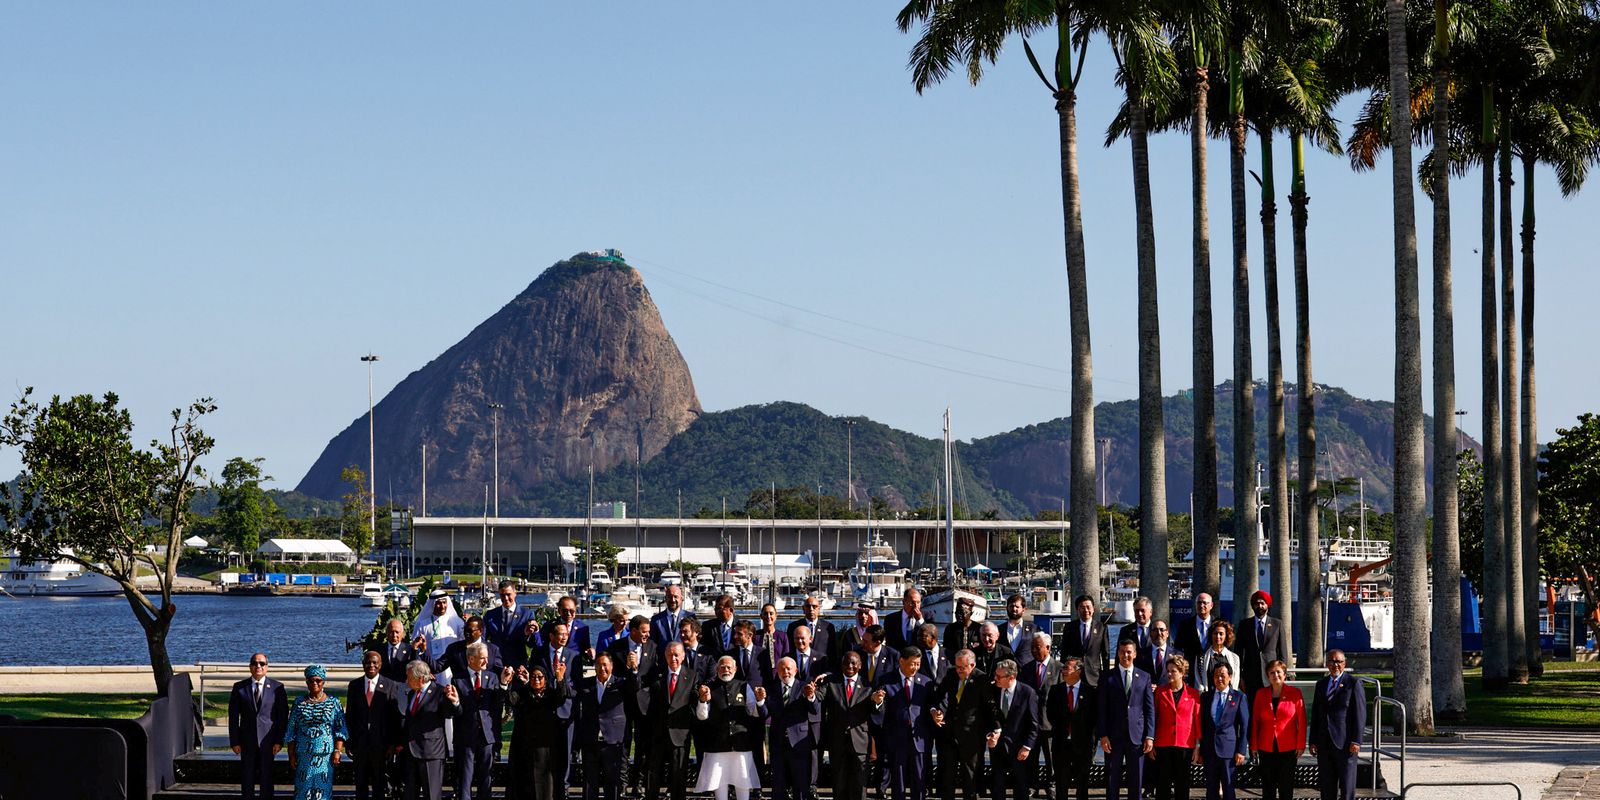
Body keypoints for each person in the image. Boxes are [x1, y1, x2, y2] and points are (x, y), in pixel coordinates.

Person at [694, 655, 766, 800]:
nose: (725, 670)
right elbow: (702, 716)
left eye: (729, 667)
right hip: (717, 744)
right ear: (717, 669)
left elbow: (754, 711)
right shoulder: (709, 687)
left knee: (743, 783)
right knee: (719, 783)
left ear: (735, 669)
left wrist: (760, 700)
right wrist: (702, 701)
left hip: (741, 744)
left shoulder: (744, 686)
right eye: (722, 667)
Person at [870, 647, 936, 800]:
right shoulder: (886, 680)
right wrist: (878, 702)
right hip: (896, 738)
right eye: (912, 663)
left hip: (918, 738)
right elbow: (879, 708)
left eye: (918, 664)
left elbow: (931, 704)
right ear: (901, 661)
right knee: (898, 782)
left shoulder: (925, 682)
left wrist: (934, 711)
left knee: (919, 780)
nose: (915, 667)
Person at [932, 650, 995, 800]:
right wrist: (935, 711)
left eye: (963, 667)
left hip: (972, 735)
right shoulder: (951, 674)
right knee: (948, 775)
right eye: (957, 666)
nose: (959, 670)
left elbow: (989, 708)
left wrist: (992, 729)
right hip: (950, 732)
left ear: (972, 665)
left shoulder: (982, 679)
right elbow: (937, 696)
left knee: (970, 777)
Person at [643, 642, 700, 800]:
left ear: (683, 656)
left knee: (678, 774)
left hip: (680, 732)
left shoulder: (692, 676)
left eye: (676, 655)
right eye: (669, 654)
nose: (673, 658)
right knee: (653, 773)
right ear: (665, 656)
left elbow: (695, 702)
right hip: (658, 732)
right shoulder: (655, 674)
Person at [609, 616, 659, 797]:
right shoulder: (616, 647)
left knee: (642, 746)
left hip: (644, 704)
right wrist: (629, 672)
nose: (647, 634)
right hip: (621, 703)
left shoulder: (652, 647)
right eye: (644, 631)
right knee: (622, 745)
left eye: (648, 631)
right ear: (634, 630)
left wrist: (636, 671)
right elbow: (611, 675)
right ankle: (622, 784)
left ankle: (638, 783)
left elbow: (654, 675)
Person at [1098, 640, 1154, 800]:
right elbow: (1101, 709)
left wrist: (1150, 736)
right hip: (1113, 737)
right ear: (1118, 653)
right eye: (1122, 651)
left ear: (1135, 654)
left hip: (1137, 736)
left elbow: (1149, 709)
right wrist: (1103, 735)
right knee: (1111, 780)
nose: (1125, 655)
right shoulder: (1107, 677)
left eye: (1129, 652)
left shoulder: (1144, 677)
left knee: (1136, 781)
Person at [396, 660, 459, 800]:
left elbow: (451, 713)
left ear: (420, 679)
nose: (407, 681)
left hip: (431, 753)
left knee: (431, 795)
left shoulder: (440, 692)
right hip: (411, 753)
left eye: (409, 677)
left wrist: (454, 702)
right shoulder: (412, 693)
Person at [506, 664, 572, 800]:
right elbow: (511, 700)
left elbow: (562, 696)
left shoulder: (550, 694)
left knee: (547, 786)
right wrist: (506, 682)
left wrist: (560, 678)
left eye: (540, 677)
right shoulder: (523, 693)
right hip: (526, 750)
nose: (536, 680)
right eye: (534, 677)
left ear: (545, 679)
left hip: (546, 749)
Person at [448, 642, 505, 800]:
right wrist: (455, 702)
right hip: (466, 735)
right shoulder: (458, 680)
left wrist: (504, 684)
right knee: (465, 776)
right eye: (482, 659)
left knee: (485, 776)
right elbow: (455, 712)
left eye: (487, 658)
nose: (486, 662)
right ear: (471, 659)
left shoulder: (492, 677)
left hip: (487, 734)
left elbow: (498, 703)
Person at [229, 652, 288, 800]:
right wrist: (235, 741)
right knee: (247, 778)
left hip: (268, 742)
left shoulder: (277, 688)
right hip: (246, 741)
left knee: (266, 778)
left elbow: (282, 717)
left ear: (267, 667)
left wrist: (279, 741)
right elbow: (233, 717)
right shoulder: (239, 688)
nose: (258, 666)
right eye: (255, 663)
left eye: (262, 663)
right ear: (250, 667)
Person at [285, 664, 348, 800]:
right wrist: (291, 754)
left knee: (322, 792)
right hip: (304, 756)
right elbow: (291, 730)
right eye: (311, 680)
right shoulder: (299, 702)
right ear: (306, 682)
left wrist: (338, 751)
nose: (314, 683)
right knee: (303, 791)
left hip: (325, 756)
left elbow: (340, 728)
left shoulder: (334, 703)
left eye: (318, 680)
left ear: (323, 682)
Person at [576, 653, 632, 800]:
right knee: (589, 782)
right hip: (590, 740)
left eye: (605, 665)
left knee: (612, 783)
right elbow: (570, 692)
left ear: (611, 667)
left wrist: (634, 669)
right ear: (594, 667)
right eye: (599, 665)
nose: (602, 668)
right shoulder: (586, 684)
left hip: (613, 741)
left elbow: (635, 686)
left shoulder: (621, 683)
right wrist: (561, 679)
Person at [1309, 650, 1364, 800]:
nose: (1336, 665)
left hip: (1345, 743)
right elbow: (1316, 714)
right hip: (1324, 743)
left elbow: (1359, 714)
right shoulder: (1321, 685)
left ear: (1344, 664)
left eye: (1339, 661)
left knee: (1347, 789)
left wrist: (1357, 740)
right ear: (1327, 664)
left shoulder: (1353, 683)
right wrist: (1313, 740)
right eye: (1332, 661)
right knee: (1327, 788)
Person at [820, 651, 875, 800]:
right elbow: (819, 698)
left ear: (860, 665)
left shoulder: (868, 685)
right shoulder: (831, 682)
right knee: (839, 782)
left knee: (859, 782)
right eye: (846, 662)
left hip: (860, 740)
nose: (850, 666)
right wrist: (811, 695)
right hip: (837, 740)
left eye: (853, 663)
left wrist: (877, 702)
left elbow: (875, 711)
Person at [348, 650, 401, 800]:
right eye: (368, 662)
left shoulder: (390, 685)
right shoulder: (354, 685)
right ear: (363, 664)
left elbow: (394, 717)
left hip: (382, 745)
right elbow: (350, 716)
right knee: (360, 784)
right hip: (360, 744)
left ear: (380, 664)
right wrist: (350, 741)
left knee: (379, 784)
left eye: (374, 662)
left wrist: (392, 743)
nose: (371, 665)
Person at [766, 656, 821, 800]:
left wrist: (811, 697)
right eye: (782, 669)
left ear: (795, 670)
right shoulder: (771, 689)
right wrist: (760, 701)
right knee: (778, 785)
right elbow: (764, 713)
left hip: (799, 743)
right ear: (777, 671)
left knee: (801, 786)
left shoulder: (805, 687)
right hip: (778, 744)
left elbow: (815, 710)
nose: (786, 671)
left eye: (789, 668)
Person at [1250, 660, 1305, 800]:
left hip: (1288, 747)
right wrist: (1254, 745)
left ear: (1285, 674)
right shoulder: (1261, 694)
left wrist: (1300, 745)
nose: (1276, 675)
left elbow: (1302, 721)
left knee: (1286, 787)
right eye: (1272, 673)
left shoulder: (1295, 693)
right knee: (1268, 787)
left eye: (1278, 672)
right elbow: (1255, 721)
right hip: (1266, 747)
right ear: (1268, 676)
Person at [1046, 656, 1097, 800]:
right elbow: (1051, 715)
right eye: (1063, 668)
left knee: (1082, 785)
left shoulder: (1090, 692)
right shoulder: (1055, 690)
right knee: (1061, 785)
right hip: (1061, 744)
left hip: (1083, 745)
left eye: (1067, 668)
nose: (1063, 671)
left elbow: (1093, 718)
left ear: (1078, 671)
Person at [1149, 656, 1199, 800]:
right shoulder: (1160, 692)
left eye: (1174, 671)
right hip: (1163, 744)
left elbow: (1196, 720)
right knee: (1162, 785)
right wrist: (1151, 742)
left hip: (1185, 744)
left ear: (1182, 673)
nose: (1169, 674)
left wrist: (1197, 745)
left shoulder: (1193, 694)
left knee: (1182, 785)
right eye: (1168, 671)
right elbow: (1153, 718)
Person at [988, 660, 1039, 800]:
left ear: (1011, 678)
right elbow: (990, 717)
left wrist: (1027, 747)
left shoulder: (1027, 693)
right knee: (997, 788)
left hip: (1019, 748)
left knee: (1021, 788)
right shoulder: (993, 690)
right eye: (995, 675)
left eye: (999, 677)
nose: (995, 679)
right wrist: (991, 735)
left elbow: (1034, 724)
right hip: (998, 748)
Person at [1198, 662, 1249, 800]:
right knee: (1211, 789)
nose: (1219, 679)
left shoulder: (1239, 697)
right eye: (1216, 676)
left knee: (1228, 787)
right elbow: (1201, 724)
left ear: (1230, 677)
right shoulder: (1205, 697)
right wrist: (1200, 749)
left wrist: (1242, 750)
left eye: (1222, 675)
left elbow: (1244, 726)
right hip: (1209, 750)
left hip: (1229, 751)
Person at [1017, 632, 1059, 790]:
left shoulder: (1059, 668)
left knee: (1051, 759)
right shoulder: (1026, 669)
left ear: (1047, 648)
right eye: (1032, 647)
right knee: (1031, 758)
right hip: (1031, 723)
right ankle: (1032, 785)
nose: (1034, 650)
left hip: (1050, 724)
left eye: (1037, 647)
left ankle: (1052, 786)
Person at [1234, 590, 1290, 698]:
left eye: (1262, 603)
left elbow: (1282, 652)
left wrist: (1282, 673)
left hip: (1272, 676)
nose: (1259, 606)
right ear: (1253, 606)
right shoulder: (1244, 625)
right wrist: (1240, 676)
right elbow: (1239, 652)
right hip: (1250, 677)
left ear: (1267, 605)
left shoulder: (1277, 624)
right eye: (1256, 603)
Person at [1058, 595, 1109, 687]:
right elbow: (1064, 652)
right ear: (1077, 610)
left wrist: (1106, 675)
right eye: (1082, 607)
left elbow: (1105, 654)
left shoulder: (1102, 627)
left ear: (1093, 609)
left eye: (1088, 607)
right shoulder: (1069, 627)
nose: (1086, 610)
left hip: (1094, 676)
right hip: (1074, 674)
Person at [432, 615, 504, 680]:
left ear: (481, 631)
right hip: (461, 692)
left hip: (486, 692)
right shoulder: (454, 649)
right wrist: (423, 652)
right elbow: (438, 667)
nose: (466, 633)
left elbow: (500, 673)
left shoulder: (492, 650)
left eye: (470, 631)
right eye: (465, 629)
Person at [485, 580, 531, 666]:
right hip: (496, 665)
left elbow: (532, 643)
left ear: (515, 593)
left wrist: (530, 633)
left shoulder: (526, 614)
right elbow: (483, 638)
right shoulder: (490, 615)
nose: (505, 598)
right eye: (502, 595)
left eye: (508, 594)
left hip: (518, 665)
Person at [411, 591, 466, 661]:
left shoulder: (457, 622)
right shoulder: (422, 624)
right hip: (430, 667)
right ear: (433, 604)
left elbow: (465, 641)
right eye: (439, 603)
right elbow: (415, 646)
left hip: (453, 667)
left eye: (444, 602)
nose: (442, 606)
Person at [1192, 621, 1240, 691]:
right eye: (1215, 633)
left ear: (1226, 636)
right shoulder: (1200, 658)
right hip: (1208, 698)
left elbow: (1235, 682)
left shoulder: (1234, 658)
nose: (1218, 636)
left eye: (1221, 634)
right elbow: (1198, 683)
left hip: (1228, 698)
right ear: (1211, 635)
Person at [1136, 620, 1182, 692]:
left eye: (1162, 630)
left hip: (1169, 697)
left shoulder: (1178, 654)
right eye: (1155, 630)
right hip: (1148, 698)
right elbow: (1137, 678)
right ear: (1150, 634)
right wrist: (1146, 686)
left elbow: (1182, 679)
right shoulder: (1140, 655)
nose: (1159, 633)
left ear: (1167, 633)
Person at [1175, 593, 1216, 668]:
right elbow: (1178, 647)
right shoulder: (1185, 625)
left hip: (1213, 670)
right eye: (1199, 603)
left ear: (1211, 605)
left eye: (1204, 603)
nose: (1201, 605)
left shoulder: (1217, 624)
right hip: (1191, 671)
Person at [789, 594, 836, 660]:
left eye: (814, 606)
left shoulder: (828, 628)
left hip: (821, 666)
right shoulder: (794, 627)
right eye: (808, 606)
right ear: (803, 609)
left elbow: (832, 652)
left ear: (819, 609)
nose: (811, 609)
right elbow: (790, 649)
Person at [700, 594, 739, 658]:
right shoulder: (708, 626)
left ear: (731, 610)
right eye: (715, 608)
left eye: (720, 608)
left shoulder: (740, 626)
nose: (716, 611)